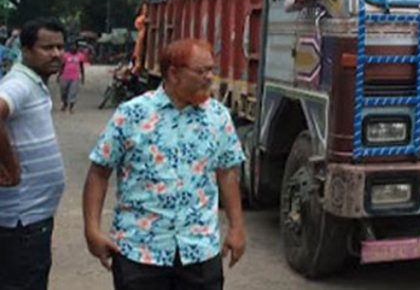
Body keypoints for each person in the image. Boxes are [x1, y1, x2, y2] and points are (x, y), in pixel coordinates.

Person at [83, 39, 246, 290]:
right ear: (173, 73)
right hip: (140, 252)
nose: (209, 78)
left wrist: (236, 228)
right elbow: (99, 173)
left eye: (211, 70)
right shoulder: (132, 114)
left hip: (200, 250)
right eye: (201, 71)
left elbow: (227, 174)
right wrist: (92, 230)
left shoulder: (218, 117)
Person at [0, 18, 68, 289]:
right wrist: (11, 166)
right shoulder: (20, 84)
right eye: (47, 47)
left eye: (60, 47)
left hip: (30, 219)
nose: (56, 54)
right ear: (26, 50)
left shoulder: (33, 83)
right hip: (21, 223)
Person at [59, 42, 88, 113]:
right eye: (72, 47)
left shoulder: (80, 56)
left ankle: (71, 107)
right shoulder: (66, 56)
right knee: (63, 92)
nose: (73, 48)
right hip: (65, 76)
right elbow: (62, 66)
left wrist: (83, 77)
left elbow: (81, 67)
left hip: (75, 77)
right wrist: (59, 75)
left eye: (75, 47)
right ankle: (64, 103)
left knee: (73, 92)